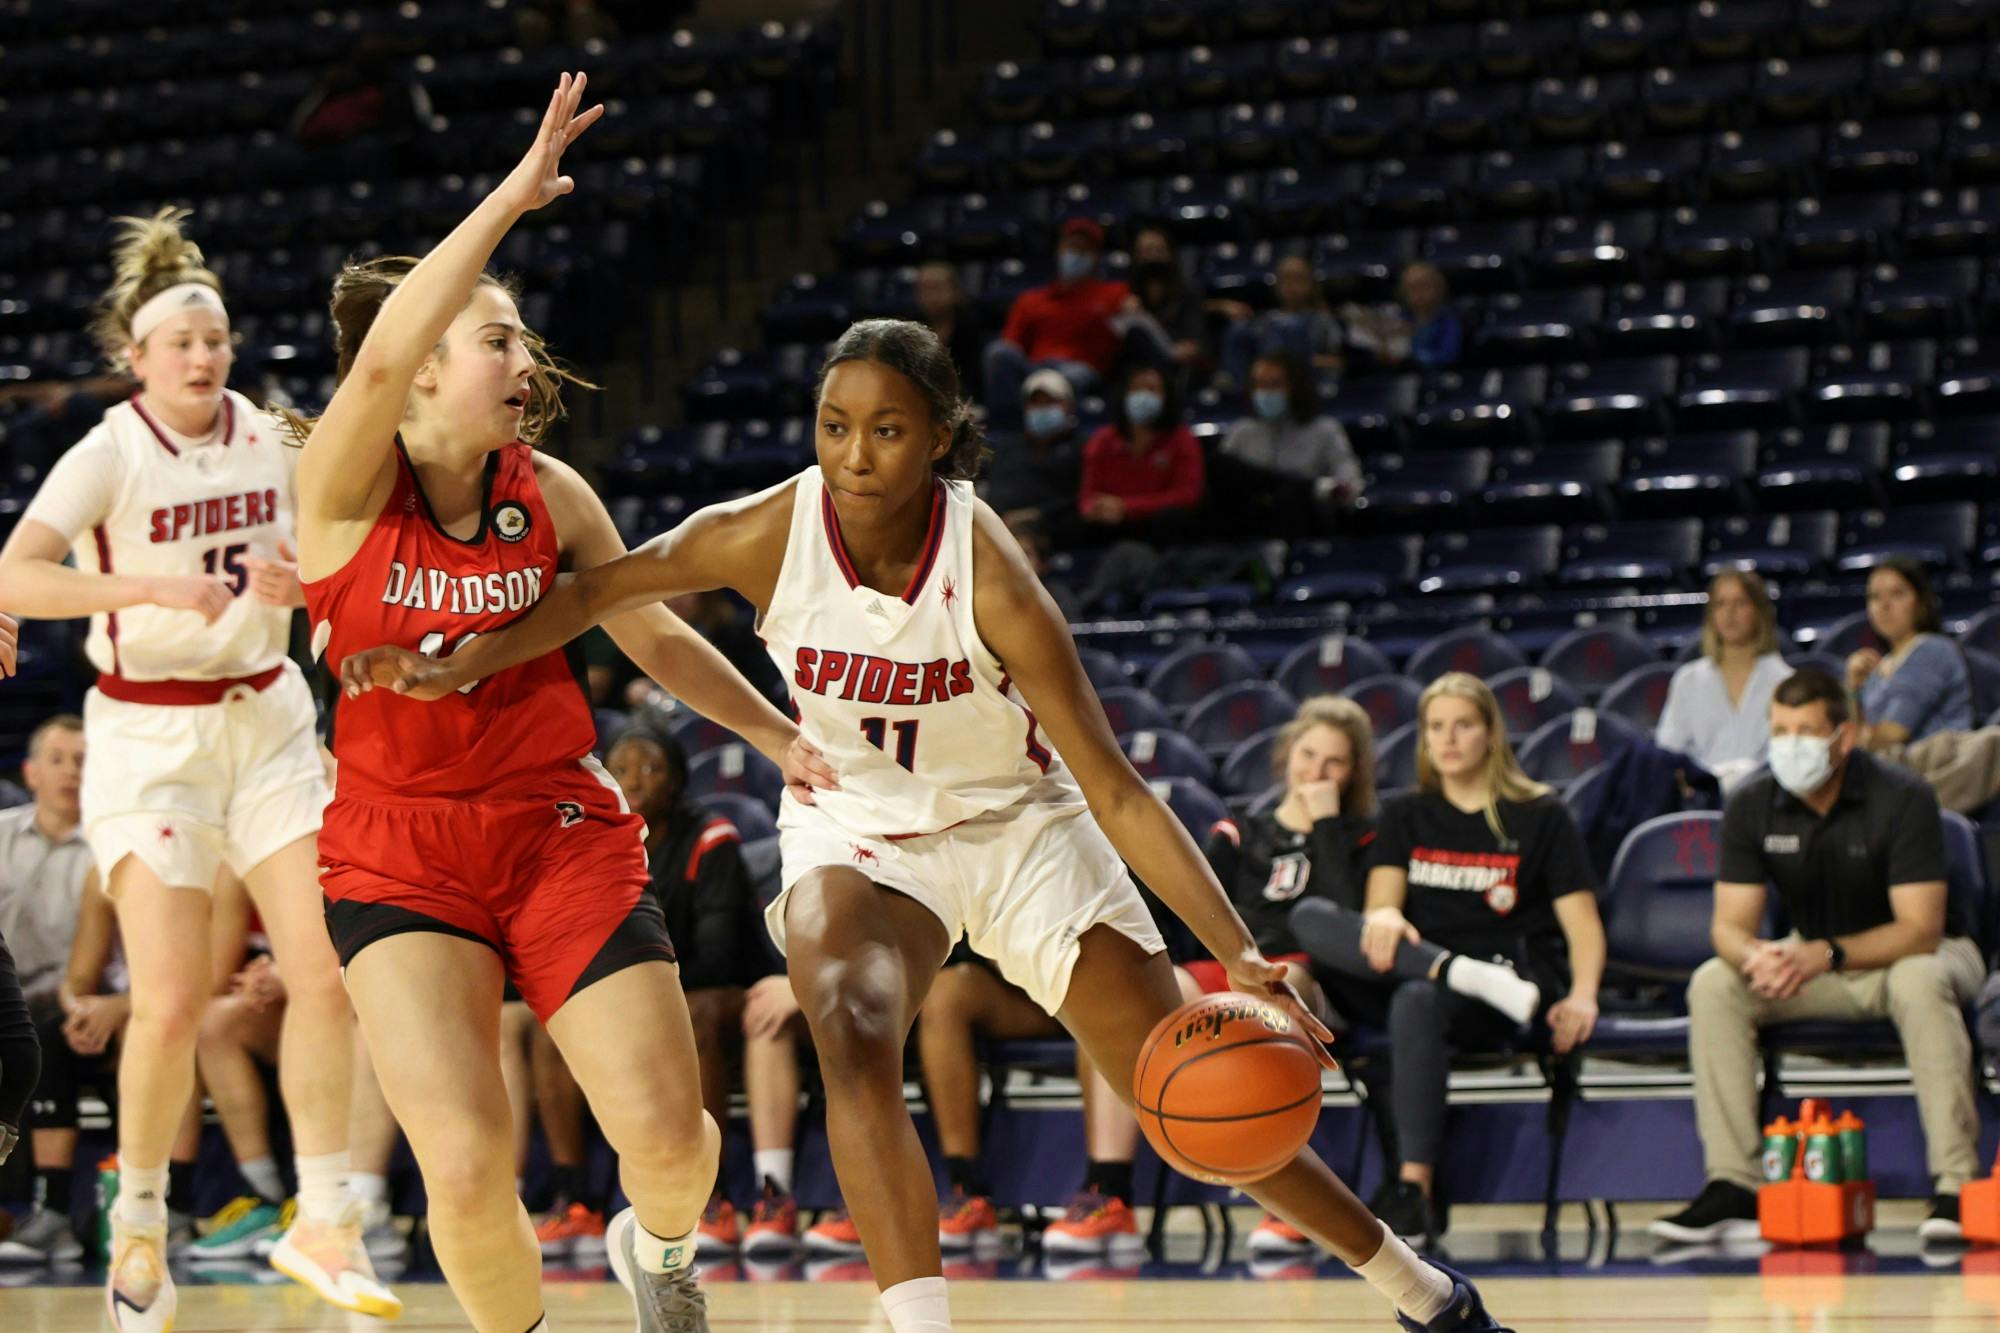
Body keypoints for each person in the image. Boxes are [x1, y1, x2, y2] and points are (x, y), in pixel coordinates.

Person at [340, 315, 1510, 1333]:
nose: (853, 455)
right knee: (849, 1018)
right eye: (833, 423)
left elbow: (1111, 786)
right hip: (858, 829)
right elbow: (596, 592)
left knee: (1186, 1091)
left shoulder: (987, 571)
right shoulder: (764, 527)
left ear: (939, 437)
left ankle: (1418, 1290)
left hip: (1020, 832)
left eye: (887, 430)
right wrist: (458, 671)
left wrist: (1239, 947)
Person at [287, 74, 829, 1333]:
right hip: (398, 849)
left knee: (671, 1139)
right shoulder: (338, 494)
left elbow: (648, 631)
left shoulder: (554, 493)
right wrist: (513, 198)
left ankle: (661, 1245)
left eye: (522, 339)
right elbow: (367, 362)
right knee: (467, 1163)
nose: (524, 360)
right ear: (422, 371)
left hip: (555, 830)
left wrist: (774, 731)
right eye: (496, 340)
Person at [0, 205, 394, 1328]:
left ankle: (324, 1217)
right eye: (180, 342)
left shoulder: (275, 437)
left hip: (266, 718)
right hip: (148, 737)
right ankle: (138, 1227)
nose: (202, 356)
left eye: (215, 339)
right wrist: (146, 588)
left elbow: (349, 560)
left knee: (327, 973)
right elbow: (15, 574)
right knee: (167, 1002)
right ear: (137, 357)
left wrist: (304, 587)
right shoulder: (110, 449)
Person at [1649, 668, 1984, 1247]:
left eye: (1805, 731)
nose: (1789, 744)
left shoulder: (1903, 796)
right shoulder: (1754, 800)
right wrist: (1757, 957)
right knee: (1714, 983)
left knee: (1920, 980)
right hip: (1819, 960)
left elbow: (1920, 930)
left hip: (1919, 955)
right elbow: (1727, 925)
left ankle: (1955, 1185)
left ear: (1844, 737)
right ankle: (1735, 1185)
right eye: (1779, 729)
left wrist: (1820, 955)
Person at [1291, 675, 1604, 1244]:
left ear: (1491, 734)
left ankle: (1414, 1188)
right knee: (1310, 918)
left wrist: (1582, 995)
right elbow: (1381, 909)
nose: (1448, 739)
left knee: (1415, 1000)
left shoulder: (1539, 815)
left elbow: (1582, 925)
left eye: (1463, 725)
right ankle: (1456, 970)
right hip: (1425, 972)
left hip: (1510, 982)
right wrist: (1384, 917)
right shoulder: (1407, 814)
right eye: (1436, 727)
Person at [597, 720, 767, 1256]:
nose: (635, 781)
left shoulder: (710, 836)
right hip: (642, 991)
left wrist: (643, 994)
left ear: (678, 780)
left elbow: (719, 958)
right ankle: (571, 1197)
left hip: (727, 992)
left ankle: (710, 1196)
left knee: (698, 1013)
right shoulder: (596, 843)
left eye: (650, 768)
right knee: (543, 1027)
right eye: (621, 770)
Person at [917, 946, 1204, 1258]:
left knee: (1103, 993)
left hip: (1092, 981)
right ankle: (965, 1190)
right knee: (945, 993)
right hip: (1025, 993)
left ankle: (1107, 1192)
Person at [0, 715, 88, 1263]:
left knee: (38, 1045)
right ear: (30, 772)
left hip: (75, 1000)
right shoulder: (2, 830)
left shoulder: (115, 843)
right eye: (58, 759)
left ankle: (52, 1210)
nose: (71, 773)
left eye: (83, 760)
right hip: (11, 989)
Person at [1654, 570, 1793, 790]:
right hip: (1702, 797)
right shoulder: (1688, 679)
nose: (1730, 613)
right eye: (1720, 604)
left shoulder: (1785, 680)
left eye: (1740, 603)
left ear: (1758, 611)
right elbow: (1669, 751)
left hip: (1765, 797)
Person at [983, 218, 1131, 420]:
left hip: (1079, 369)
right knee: (998, 352)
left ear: (1096, 257)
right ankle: (1009, 424)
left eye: (1084, 249)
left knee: (1072, 376)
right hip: (1035, 368)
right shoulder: (1031, 299)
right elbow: (1012, 343)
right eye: (1071, 247)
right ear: (1059, 250)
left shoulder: (1115, 295)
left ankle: (1061, 426)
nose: (1076, 254)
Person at [1214, 352, 1360, 537]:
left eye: (1274, 385)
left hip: (1303, 526)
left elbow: (1349, 482)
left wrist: (1335, 490)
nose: (1265, 393)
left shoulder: (1325, 430)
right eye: (1259, 385)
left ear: (1296, 387)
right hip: (1250, 529)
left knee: (1289, 499)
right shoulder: (1241, 431)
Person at [1846, 557, 1973, 750]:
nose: (1884, 605)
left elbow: (1889, 737)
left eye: (1897, 594)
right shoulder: (1879, 665)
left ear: (1920, 603)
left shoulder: (1933, 651)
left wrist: (1854, 740)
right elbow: (1854, 737)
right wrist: (1853, 688)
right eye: (1874, 596)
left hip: (1939, 772)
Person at [1077, 363, 1205, 537]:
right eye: (1136, 389)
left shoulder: (1182, 439)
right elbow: (1087, 496)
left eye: (1152, 390)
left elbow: (1187, 495)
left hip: (1158, 526)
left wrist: (1128, 507)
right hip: (1112, 525)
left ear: (1166, 398)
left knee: (1173, 519)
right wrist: (1094, 509)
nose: (1143, 396)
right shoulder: (1102, 440)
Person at [979, 369, 1085, 529]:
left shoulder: (1082, 448)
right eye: (1035, 403)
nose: (1042, 409)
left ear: (1069, 406)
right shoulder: (1007, 448)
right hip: (999, 529)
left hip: (1055, 535)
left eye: (1050, 402)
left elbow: (1081, 501)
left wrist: (1038, 515)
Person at [1220, 255, 1345, 387]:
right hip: (1266, 384)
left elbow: (1337, 361)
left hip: (1308, 383)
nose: (1291, 286)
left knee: (1292, 326)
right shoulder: (1266, 320)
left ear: (1311, 284)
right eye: (1285, 280)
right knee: (1239, 329)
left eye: (1298, 279)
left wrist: (1303, 360)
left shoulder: (1323, 319)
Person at [1120, 225, 1209, 373]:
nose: (1153, 258)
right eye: (1147, 252)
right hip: (1136, 370)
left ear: (1170, 255)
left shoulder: (1187, 294)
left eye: (1158, 251)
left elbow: (1193, 342)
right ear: (1136, 257)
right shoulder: (1126, 294)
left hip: (1175, 368)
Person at [1345, 262, 1462, 373]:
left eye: (1423, 285)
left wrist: (1410, 355)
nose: (1418, 293)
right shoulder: (1398, 316)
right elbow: (1354, 312)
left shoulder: (1447, 319)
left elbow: (1448, 356)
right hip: (1399, 380)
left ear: (1438, 287)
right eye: (1411, 288)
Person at [914, 262, 988, 405]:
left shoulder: (972, 325)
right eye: (924, 289)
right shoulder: (911, 330)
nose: (930, 296)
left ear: (955, 290)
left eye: (936, 288)